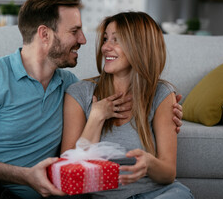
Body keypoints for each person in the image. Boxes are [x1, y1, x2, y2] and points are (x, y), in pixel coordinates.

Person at [0, 0, 183, 199]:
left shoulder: (70, 87)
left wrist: (164, 103)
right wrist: (25, 175)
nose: (84, 40)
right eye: (75, 31)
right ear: (45, 34)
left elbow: (76, 154)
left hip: (41, 194)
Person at [61, 12, 193, 199]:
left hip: (155, 193)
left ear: (140, 46)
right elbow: (68, 172)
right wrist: (96, 118)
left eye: (116, 40)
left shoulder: (162, 94)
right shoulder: (79, 93)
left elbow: (168, 173)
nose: (105, 47)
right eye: (106, 39)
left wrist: (149, 163)